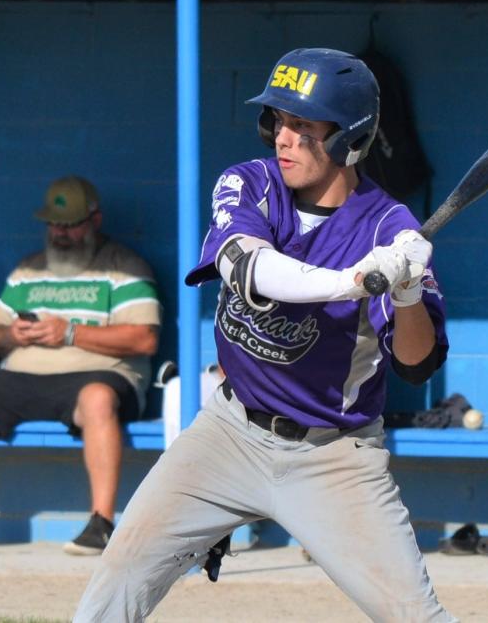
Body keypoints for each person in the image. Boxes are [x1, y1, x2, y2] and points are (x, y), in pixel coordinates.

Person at [73, 48, 452, 622]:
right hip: (228, 433)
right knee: (121, 573)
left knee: (414, 616)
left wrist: (405, 291)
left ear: (349, 138)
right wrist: (353, 281)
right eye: (278, 120)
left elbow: (416, 364)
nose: (283, 138)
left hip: (335, 455)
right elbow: (250, 270)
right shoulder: (248, 183)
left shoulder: (389, 229)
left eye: (304, 126)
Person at [0, 176, 161, 556]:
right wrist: (13, 335)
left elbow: (144, 339)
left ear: (94, 221)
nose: (59, 233)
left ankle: (101, 524)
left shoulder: (123, 267)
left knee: (96, 399)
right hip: (23, 377)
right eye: (52, 224)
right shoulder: (28, 270)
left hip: (98, 376)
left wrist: (70, 333)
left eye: (69, 224)